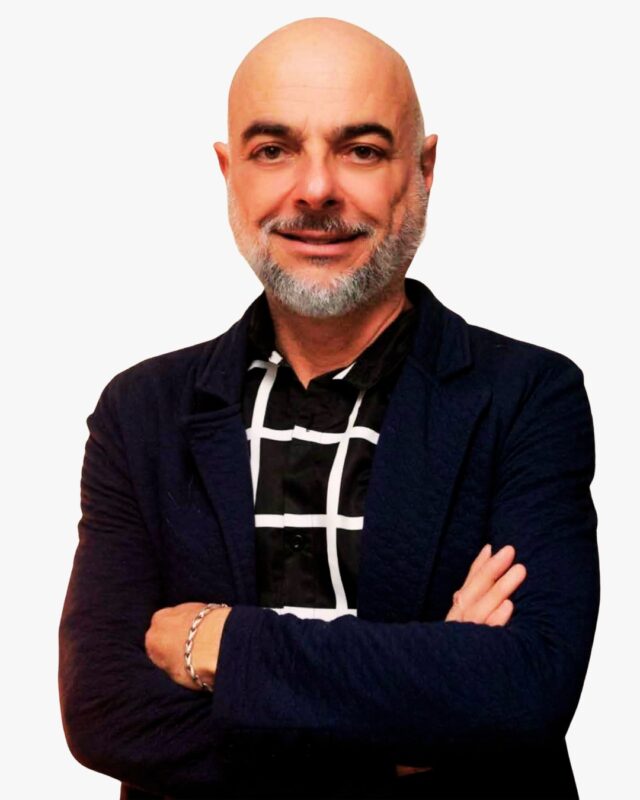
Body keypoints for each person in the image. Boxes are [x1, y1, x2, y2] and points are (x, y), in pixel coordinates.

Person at [58, 16, 599, 800]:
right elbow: (106, 712)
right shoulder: (140, 415)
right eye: (273, 150)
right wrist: (415, 723)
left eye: (362, 150)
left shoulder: (526, 397)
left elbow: (525, 688)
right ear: (230, 173)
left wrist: (222, 642)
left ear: (424, 169)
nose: (315, 189)